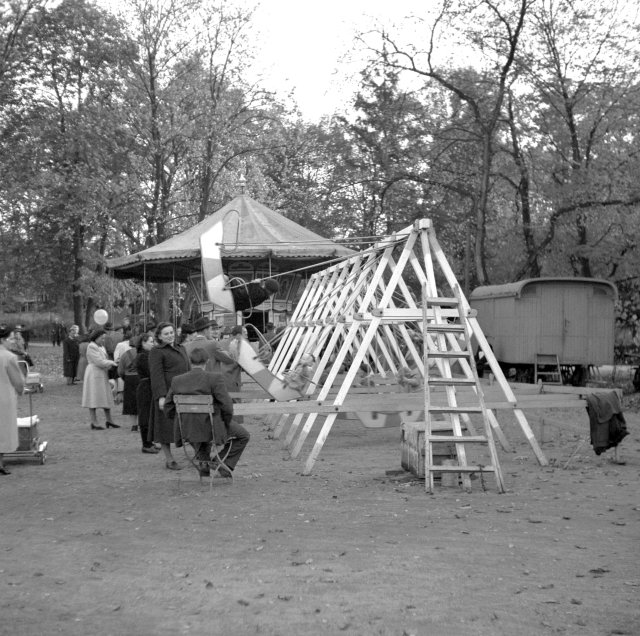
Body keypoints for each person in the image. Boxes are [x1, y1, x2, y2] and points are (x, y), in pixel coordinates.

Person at [164, 347, 249, 479]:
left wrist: (180, 421)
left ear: (189, 361)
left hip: (186, 428)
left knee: (199, 434)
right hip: (211, 426)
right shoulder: (214, 378)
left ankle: (204, 466)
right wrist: (225, 422)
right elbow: (227, 406)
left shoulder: (177, 380)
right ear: (207, 361)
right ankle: (219, 462)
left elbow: (168, 407)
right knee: (243, 435)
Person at [148, 322, 190, 470]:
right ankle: (169, 459)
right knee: (164, 427)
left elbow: (188, 370)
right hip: (167, 394)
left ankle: (198, 455)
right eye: (166, 333)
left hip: (184, 392)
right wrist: (161, 396)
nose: (170, 335)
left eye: (171, 332)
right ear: (159, 336)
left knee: (188, 424)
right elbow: (156, 375)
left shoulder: (182, 348)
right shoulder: (156, 351)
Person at [81, 329, 119, 430]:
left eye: (104, 338)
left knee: (106, 397)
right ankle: (94, 422)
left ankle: (109, 420)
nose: (103, 340)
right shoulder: (91, 346)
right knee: (93, 397)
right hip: (94, 374)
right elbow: (99, 361)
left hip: (102, 373)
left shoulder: (101, 346)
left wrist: (112, 362)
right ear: (95, 337)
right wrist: (111, 363)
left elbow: (103, 361)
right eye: (101, 338)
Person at [0, 325, 25, 475]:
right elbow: (17, 381)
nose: (12, 342)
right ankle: (0, 463)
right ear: (2, 340)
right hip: (4, 397)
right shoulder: (9, 357)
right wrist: (21, 389)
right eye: (10, 339)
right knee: (3, 429)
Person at [135, 333, 159, 454]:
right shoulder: (143, 357)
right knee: (145, 416)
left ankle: (150, 441)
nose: (153, 344)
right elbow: (151, 371)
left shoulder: (147, 355)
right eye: (150, 341)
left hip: (149, 386)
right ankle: (146, 444)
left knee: (150, 415)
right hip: (145, 387)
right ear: (143, 343)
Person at [118, 336, 140, 432]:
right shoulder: (144, 354)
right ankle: (141, 423)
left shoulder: (125, 355)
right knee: (141, 402)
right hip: (141, 378)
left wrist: (125, 378)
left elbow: (120, 371)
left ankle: (134, 425)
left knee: (131, 402)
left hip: (129, 379)